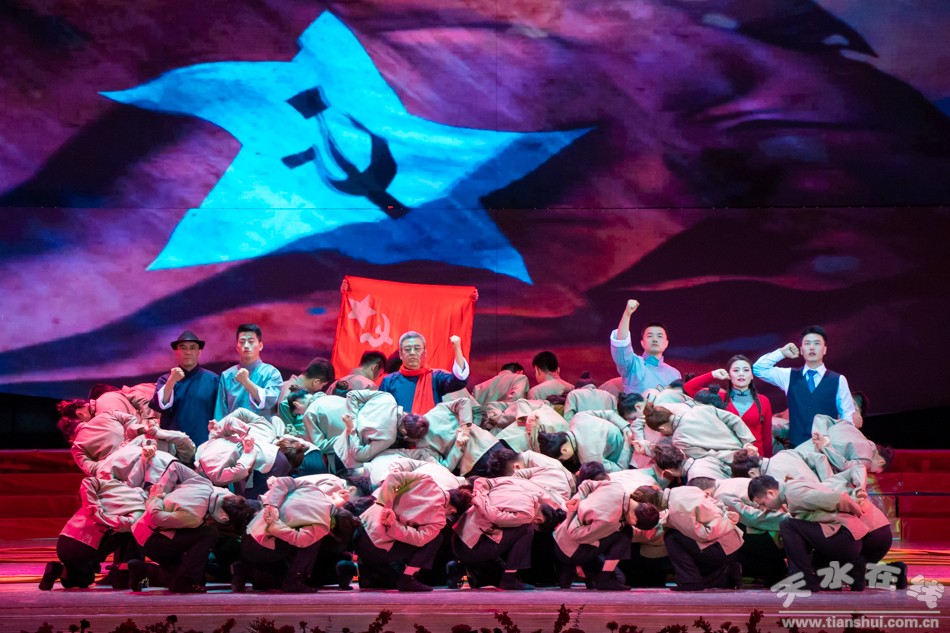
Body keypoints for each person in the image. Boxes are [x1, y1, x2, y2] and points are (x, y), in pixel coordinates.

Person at [752, 325, 855, 449]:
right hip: (797, 448)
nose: (812, 347)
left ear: (824, 350)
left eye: (817, 343)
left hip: (827, 448)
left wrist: (842, 445)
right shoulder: (789, 375)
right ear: (801, 350)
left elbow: (847, 417)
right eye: (807, 343)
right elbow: (758, 369)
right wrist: (781, 353)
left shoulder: (838, 380)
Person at [685, 355, 774, 457]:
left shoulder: (763, 401)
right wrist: (713, 374)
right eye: (736, 370)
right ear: (729, 375)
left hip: (755, 457)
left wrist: (768, 461)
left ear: (752, 375)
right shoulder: (719, 396)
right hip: (727, 457)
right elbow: (689, 387)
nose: (741, 373)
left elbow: (767, 437)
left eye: (746, 370)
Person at [150, 330, 219, 446]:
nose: (188, 352)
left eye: (192, 348)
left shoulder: (213, 379)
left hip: (205, 443)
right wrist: (171, 381)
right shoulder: (165, 379)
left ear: (199, 352)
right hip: (172, 444)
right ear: (176, 352)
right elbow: (159, 407)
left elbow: (220, 413)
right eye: (183, 348)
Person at [379, 331, 470, 413]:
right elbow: (382, 411)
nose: (412, 353)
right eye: (407, 349)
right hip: (400, 426)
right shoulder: (389, 381)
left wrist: (457, 349)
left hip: (431, 426)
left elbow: (459, 380)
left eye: (417, 348)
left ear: (425, 353)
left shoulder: (436, 378)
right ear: (400, 354)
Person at [609, 300, 681, 395]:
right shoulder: (634, 364)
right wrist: (627, 314)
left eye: (659, 336)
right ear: (642, 343)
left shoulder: (674, 374)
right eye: (650, 336)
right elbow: (621, 346)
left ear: (666, 343)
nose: (655, 339)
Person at [214, 324, 283, 420]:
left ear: (260, 346)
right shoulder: (227, 375)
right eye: (242, 342)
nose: (246, 346)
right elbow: (221, 411)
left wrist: (246, 382)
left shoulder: (271, 373)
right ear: (237, 347)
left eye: (251, 341)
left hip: (262, 428)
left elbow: (269, 401)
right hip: (233, 428)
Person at [276, 357, 335, 434]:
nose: (321, 388)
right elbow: (286, 430)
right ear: (316, 382)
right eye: (322, 385)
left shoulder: (286, 385)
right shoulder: (292, 395)